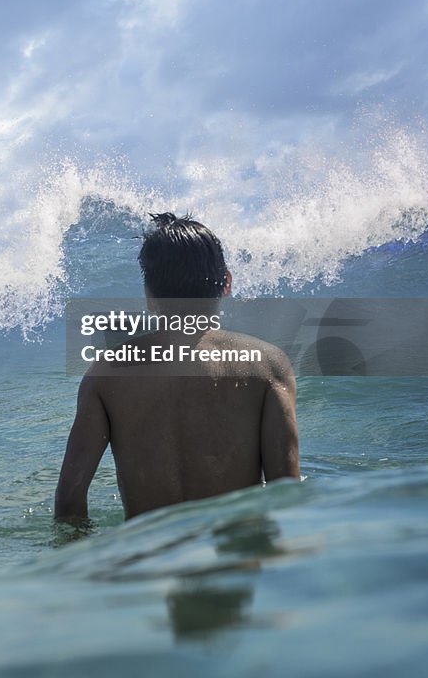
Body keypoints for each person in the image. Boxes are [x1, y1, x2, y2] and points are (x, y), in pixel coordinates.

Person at [55, 212, 299, 524]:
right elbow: (286, 493)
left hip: (148, 562)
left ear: (149, 296)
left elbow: (69, 497)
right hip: (233, 561)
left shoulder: (105, 375)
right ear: (226, 282)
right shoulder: (267, 366)